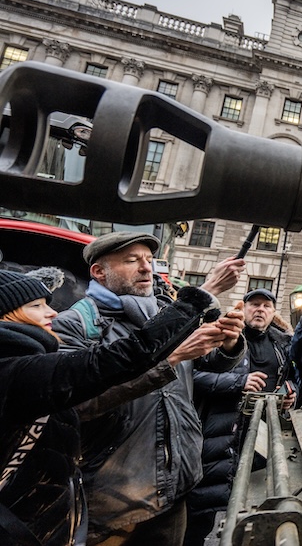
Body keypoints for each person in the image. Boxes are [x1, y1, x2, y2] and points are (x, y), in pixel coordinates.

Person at [0, 267, 222, 546]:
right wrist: (194, 302)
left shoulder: (25, 363)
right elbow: (118, 359)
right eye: (36, 306)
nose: (52, 312)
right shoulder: (16, 370)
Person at [52, 232, 247, 546]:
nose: (146, 268)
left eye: (149, 260)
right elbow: (78, 403)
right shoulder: (74, 324)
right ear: (99, 272)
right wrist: (172, 358)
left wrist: (228, 342)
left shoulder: (166, 313)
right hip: (113, 501)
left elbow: (211, 363)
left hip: (176, 487)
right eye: (132, 261)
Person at [183, 288, 296, 546]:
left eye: (266, 306)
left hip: (258, 436)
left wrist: (290, 393)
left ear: (273, 313)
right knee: (203, 508)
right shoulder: (224, 336)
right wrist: (239, 382)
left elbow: (288, 379)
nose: (260, 310)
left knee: (246, 503)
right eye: (254, 304)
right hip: (217, 432)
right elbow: (191, 377)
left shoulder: (281, 345)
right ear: (243, 309)